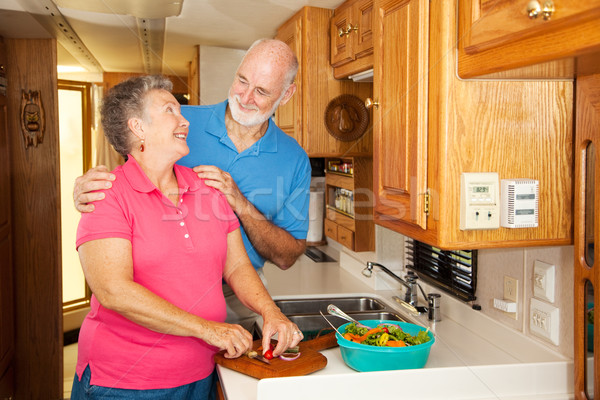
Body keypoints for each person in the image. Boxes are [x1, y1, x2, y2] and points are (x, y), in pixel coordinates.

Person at [71, 75, 303, 400]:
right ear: (137, 127)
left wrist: (271, 312)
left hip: (201, 374)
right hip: (125, 384)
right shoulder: (107, 194)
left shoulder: (207, 186)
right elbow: (114, 291)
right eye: (170, 111)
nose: (184, 121)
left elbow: (236, 266)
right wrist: (208, 329)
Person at [74, 39, 312, 334]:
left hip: (241, 291)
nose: (246, 96)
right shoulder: (182, 123)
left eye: (262, 91)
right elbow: (131, 169)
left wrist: (240, 203)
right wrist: (91, 186)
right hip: (161, 283)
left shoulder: (295, 159)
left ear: (286, 94)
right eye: (242, 80)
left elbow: (285, 256)